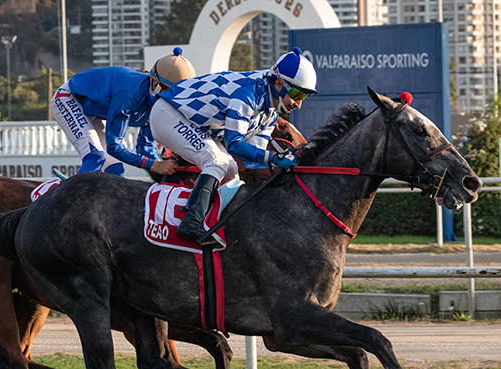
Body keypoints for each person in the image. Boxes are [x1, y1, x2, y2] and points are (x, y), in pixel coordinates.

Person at [149, 47, 318, 242]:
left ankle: (221, 225)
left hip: (190, 122)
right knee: (216, 161)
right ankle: (191, 222)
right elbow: (235, 145)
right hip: (167, 114)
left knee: (231, 170)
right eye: (297, 95)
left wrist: (286, 166)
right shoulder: (247, 93)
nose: (298, 103)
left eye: (303, 97)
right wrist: (275, 158)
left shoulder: (269, 114)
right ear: (279, 83)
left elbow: (254, 161)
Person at [51, 47, 196, 177]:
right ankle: (63, 202)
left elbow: (145, 147)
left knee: (116, 170)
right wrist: (154, 165)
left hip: (93, 109)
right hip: (69, 98)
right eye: (171, 92)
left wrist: (162, 167)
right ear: (157, 84)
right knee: (96, 157)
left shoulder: (155, 101)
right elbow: (114, 146)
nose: (173, 99)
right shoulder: (129, 95)